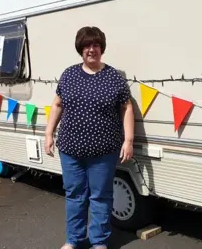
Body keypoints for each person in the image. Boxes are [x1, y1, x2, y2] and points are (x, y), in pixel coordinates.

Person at [44, 26, 135, 249]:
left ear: (101, 48)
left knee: (100, 197)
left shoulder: (113, 77)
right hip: (70, 149)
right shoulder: (69, 74)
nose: (91, 49)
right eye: (86, 45)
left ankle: (99, 241)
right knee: (75, 195)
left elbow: (126, 108)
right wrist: (48, 134)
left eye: (95, 45)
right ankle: (74, 239)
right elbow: (57, 104)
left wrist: (129, 140)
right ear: (80, 49)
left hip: (104, 151)